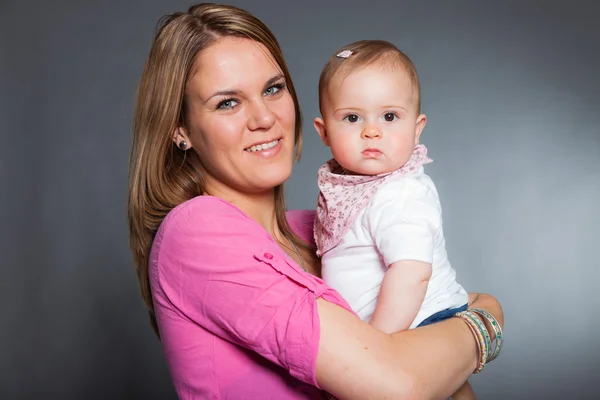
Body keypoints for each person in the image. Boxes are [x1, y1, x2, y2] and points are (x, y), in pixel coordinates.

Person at [127, 3, 504, 399]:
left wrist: (469, 322)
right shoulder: (197, 231)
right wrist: (488, 320)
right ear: (180, 130)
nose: (264, 118)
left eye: (273, 89)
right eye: (228, 102)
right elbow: (397, 386)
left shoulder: (324, 227)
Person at [313, 40, 485, 399]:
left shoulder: (401, 192)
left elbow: (411, 272)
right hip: (392, 330)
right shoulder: (347, 191)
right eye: (352, 117)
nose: (371, 131)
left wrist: (376, 346)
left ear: (418, 127)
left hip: (416, 325)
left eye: (389, 117)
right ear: (323, 131)